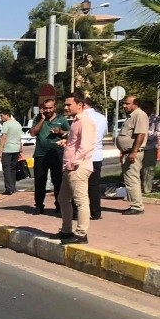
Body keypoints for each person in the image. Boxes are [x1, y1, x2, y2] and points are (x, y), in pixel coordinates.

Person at [56, 92, 96, 245]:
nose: (66, 107)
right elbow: (76, 142)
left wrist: (74, 161)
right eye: (65, 104)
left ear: (80, 105)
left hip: (78, 167)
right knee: (63, 199)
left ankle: (81, 234)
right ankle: (66, 230)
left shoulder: (85, 121)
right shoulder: (75, 121)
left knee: (80, 200)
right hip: (69, 166)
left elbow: (86, 145)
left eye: (69, 104)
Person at [29, 98, 68, 215]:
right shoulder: (38, 118)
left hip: (57, 154)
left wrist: (60, 131)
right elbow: (33, 133)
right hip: (40, 154)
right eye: (45, 108)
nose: (48, 110)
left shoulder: (61, 119)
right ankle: (39, 205)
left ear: (54, 107)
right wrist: (42, 119)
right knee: (40, 181)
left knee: (58, 181)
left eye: (50, 108)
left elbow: (69, 135)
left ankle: (59, 205)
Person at [117, 96, 149, 215]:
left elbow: (141, 135)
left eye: (127, 103)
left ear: (135, 104)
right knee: (129, 179)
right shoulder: (131, 116)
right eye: (124, 103)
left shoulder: (139, 115)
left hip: (133, 152)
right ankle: (135, 204)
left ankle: (137, 206)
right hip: (128, 152)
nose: (124, 106)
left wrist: (133, 152)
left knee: (132, 179)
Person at [85, 97, 109, 220]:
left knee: (80, 186)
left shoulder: (83, 118)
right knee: (94, 185)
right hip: (97, 155)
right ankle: (96, 212)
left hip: (85, 156)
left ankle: (77, 212)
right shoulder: (102, 117)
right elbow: (104, 133)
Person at [0, 108, 23, 195]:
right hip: (16, 149)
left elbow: (4, 137)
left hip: (7, 149)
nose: (1, 118)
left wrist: (0, 149)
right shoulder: (18, 124)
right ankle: (13, 187)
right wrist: (20, 149)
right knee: (13, 169)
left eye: (2, 116)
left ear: (7, 115)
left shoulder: (6, 124)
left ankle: (9, 189)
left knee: (6, 169)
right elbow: (19, 138)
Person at [141, 100, 159, 195]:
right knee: (139, 168)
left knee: (149, 169)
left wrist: (147, 134)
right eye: (143, 108)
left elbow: (158, 132)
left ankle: (147, 189)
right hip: (140, 147)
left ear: (152, 109)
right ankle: (139, 187)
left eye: (146, 108)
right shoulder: (140, 117)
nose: (144, 110)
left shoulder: (156, 119)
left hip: (150, 147)